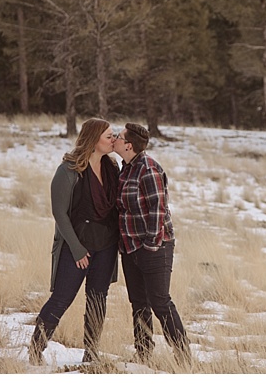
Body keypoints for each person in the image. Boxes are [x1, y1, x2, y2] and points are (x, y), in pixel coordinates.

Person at [30, 118, 122, 365]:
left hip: (106, 247)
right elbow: (59, 213)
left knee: (97, 300)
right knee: (61, 298)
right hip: (76, 247)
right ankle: (35, 350)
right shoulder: (69, 170)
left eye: (113, 136)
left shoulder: (113, 167)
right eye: (109, 136)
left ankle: (91, 355)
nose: (113, 140)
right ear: (94, 140)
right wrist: (78, 249)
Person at [114, 123, 193, 366]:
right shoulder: (125, 168)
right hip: (130, 247)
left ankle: (183, 356)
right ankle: (143, 355)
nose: (114, 139)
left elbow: (157, 211)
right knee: (138, 302)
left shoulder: (148, 169)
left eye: (118, 137)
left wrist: (149, 246)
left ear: (128, 145)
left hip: (155, 247)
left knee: (159, 301)